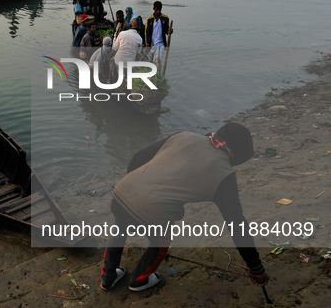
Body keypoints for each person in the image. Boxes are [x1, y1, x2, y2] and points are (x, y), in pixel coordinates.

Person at [100, 123, 270, 292]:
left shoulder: (183, 136)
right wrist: (256, 268)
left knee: (119, 230)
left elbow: (138, 157)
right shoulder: (225, 175)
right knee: (159, 244)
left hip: (122, 192)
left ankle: (108, 278)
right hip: (151, 212)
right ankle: (139, 280)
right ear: (237, 155)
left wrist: (135, 188)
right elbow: (237, 225)